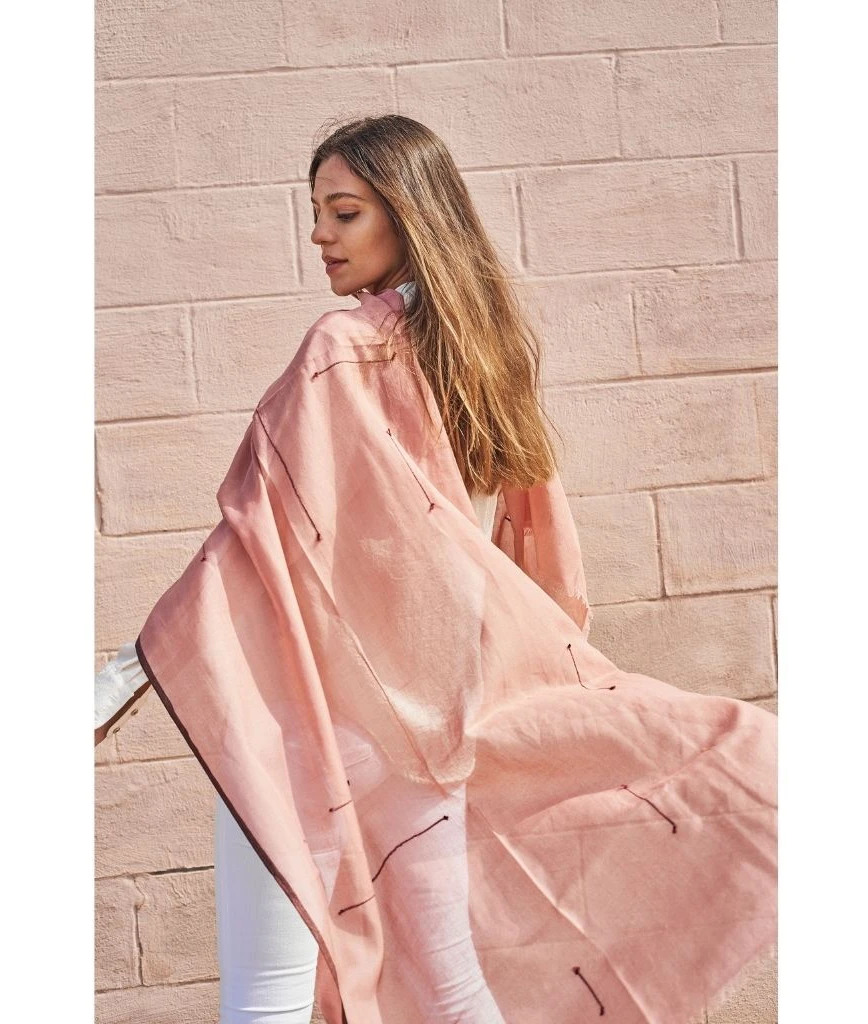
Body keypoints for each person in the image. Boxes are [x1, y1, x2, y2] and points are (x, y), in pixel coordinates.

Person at [96, 115, 777, 1024]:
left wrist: (120, 677)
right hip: (429, 726)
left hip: (307, 714)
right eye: (316, 212)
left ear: (407, 213)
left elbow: (257, 537)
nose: (320, 235)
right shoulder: (483, 353)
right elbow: (527, 547)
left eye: (344, 212)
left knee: (267, 1004)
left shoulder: (343, 350)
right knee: (452, 996)